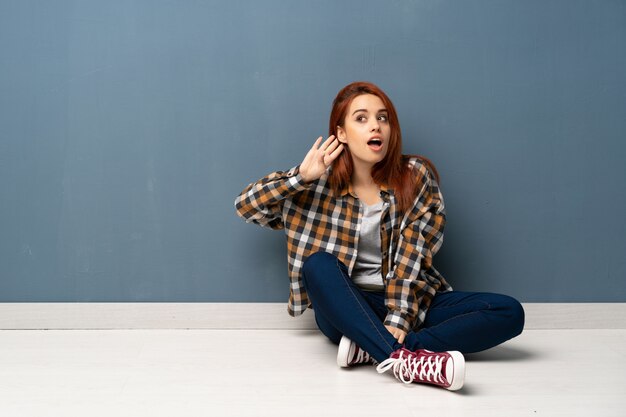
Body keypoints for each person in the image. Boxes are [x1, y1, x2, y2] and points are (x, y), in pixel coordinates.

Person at [234, 81, 524, 391]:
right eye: (361, 118)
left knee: (509, 312)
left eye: (382, 118)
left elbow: (413, 253)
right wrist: (300, 178)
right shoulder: (317, 181)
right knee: (317, 265)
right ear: (341, 132)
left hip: (407, 300)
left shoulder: (414, 176)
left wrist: (399, 317)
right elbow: (247, 207)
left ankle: (377, 348)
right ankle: (402, 356)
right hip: (344, 309)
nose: (376, 126)